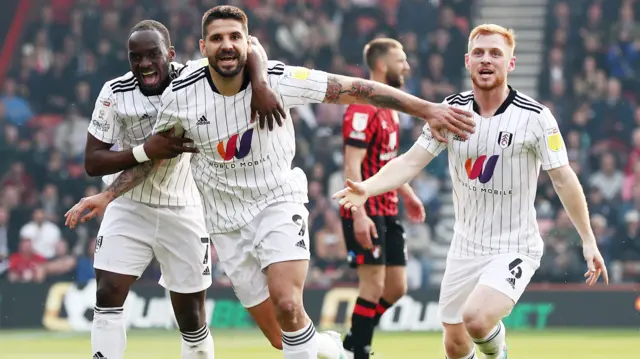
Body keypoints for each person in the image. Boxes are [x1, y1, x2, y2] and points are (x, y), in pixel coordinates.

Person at [65, 6, 474, 359]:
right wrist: (109, 194)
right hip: (224, 221)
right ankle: (331, 349)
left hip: (277, 201)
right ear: (202, 48)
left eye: (235, 37)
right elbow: (157, 154)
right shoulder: (180, 97)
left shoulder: (278, 79)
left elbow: (356, 89)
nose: (227, 45)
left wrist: (427, 109)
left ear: (248, 43)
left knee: (288, 302)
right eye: (217, 38)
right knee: (282, 337)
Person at [333, 24, 609, 359]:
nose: (486, 59)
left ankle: (498, 353)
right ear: (467, 61)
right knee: (455, 345)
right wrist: (366, 187)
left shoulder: (536, 118)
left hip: (514, 245)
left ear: (511, 64)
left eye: (495, 53)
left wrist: (588, 239)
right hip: (464, 246)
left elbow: (564, 180)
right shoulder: (450, 112)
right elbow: (409, 162)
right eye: (478, 53)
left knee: (476, 319)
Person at [71, 19, 284, 359]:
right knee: (108, 292)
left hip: (185, 209)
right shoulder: (115, 93)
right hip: (129, 206)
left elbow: (252, 46)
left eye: (153, 55)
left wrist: (259, 83)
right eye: (135, 57)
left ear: (169, 54)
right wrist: (144, 150)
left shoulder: (192, 79)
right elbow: (93, 161)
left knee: (191, 316)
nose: (143, 64)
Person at [339, 38, 425, 359]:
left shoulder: (390, 109)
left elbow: (388, 162)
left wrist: (409, 193)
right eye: (400, 60)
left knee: (396, 288)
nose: (406, 66)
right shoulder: (363, 106)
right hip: (366, 209)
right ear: (380, 65)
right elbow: (352, 165)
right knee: (373, 286)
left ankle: (353, 337)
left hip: (388, 208)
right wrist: (358, 214)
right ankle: (359, 350)